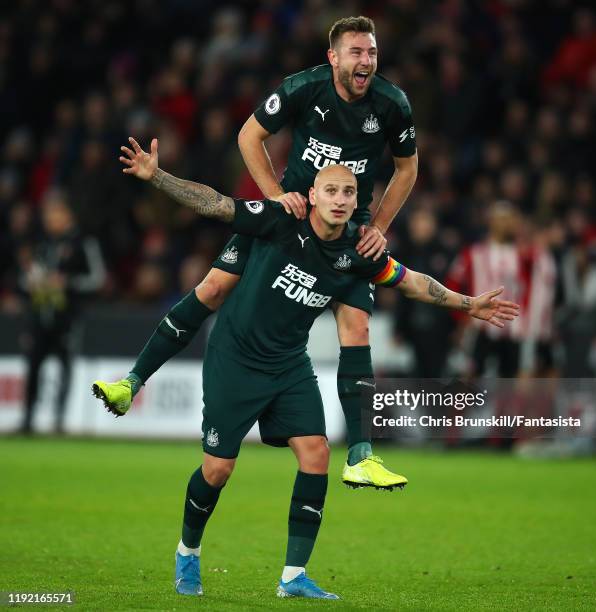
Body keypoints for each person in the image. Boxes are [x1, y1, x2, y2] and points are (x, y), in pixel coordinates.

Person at [93, 138, 519, 599]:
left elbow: (411, 281)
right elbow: (216, 205)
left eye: (348, 193)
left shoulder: (358, 251)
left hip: (288, 363)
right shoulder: (280, 220)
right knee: (217, 470)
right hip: (235, 357)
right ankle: (188, 552)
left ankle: (294, 577)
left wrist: (466, 303)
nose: (339, 200)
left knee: (316, 453)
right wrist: (157, 177)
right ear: (313, 195)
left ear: (358, 202)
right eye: (331, 191)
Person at [96, 15, 419, 489]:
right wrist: (273, 195)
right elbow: (249, 136)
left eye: (371, 52)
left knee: (357, 323)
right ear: (333, 57)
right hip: (288, 221)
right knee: (213, 288)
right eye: (356, 52)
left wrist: (378, 228)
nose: (365, 60)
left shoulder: (392, 104)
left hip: (345, 230)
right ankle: (131, 384)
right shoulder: (303, 88)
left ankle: (362, 455)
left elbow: (406, 170)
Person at [20, 190, 105, 433]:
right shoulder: (43, 244)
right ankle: (28, 420)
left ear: (66, 214)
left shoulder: (83, 242)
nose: (48, 219)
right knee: (33, 367)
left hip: (67, 318)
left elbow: (97, 279)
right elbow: (26, 278)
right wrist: (31, 282)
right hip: (39, 316)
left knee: (64, 368)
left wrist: (66, 282)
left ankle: (59, 421)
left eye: (52, 213)